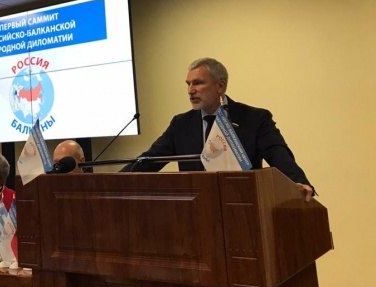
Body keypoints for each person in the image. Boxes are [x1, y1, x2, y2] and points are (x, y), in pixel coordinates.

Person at [123, 57, 315, 201]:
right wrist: (113, 181)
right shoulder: (181, 124)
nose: (190, 90)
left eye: (198, 83)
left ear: (220, 86)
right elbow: (150, 159)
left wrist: (299, 181)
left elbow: (278, 154)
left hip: (244, 206)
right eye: (188, 84)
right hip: (197, 210)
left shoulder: (254, 118)